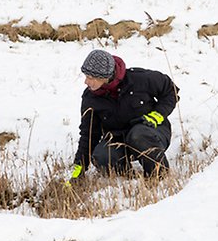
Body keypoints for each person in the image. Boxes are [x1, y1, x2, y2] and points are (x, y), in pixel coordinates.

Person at [66, 49, 178, 185]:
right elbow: (88, 135)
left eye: (90, 77)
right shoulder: (91, 98)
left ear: (105, 76)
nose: (86, 82)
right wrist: (79, 168)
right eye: (86, 76)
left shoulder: (140, 79)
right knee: (101, 156)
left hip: (151, 132)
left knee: (138, 135)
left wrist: (157, 115)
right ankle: (128, 181)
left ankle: (158, 177)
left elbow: (171, 91)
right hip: (119, 139)